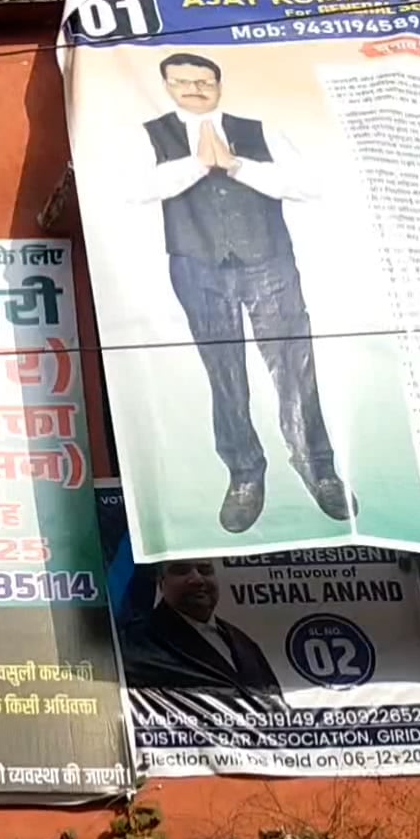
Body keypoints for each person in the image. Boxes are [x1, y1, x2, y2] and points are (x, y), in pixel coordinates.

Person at [136, 52, 354, 535]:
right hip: (196, 267)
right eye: (182, 81)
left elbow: (307, 185)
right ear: (167, 85)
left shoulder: (259, 129)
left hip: (268, 262)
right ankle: (244, 475)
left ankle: (319, 468)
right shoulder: (150, 134)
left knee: (295, 368)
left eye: (203, 81)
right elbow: (135, 188)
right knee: (225, 374)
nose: (194, 89)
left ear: (219, 83)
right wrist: (197, 165)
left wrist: (235, 165)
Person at [121, 559, 281, 695]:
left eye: (205, 570)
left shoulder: (244, 644)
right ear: (161, 583)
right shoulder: (135, 643)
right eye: (181, 571)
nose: (197, 579)